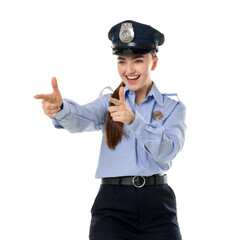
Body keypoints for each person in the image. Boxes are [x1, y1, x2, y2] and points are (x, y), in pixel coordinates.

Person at [34, 20, 186, 240]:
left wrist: (134, 121)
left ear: (154, 62)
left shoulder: (173, 108)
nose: (129, 70)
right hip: (113, 206)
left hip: (158, 206)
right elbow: (81, 118)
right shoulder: (109, 102)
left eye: (138, 60)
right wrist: (60, 108)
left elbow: (167, 152)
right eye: (122, 61)